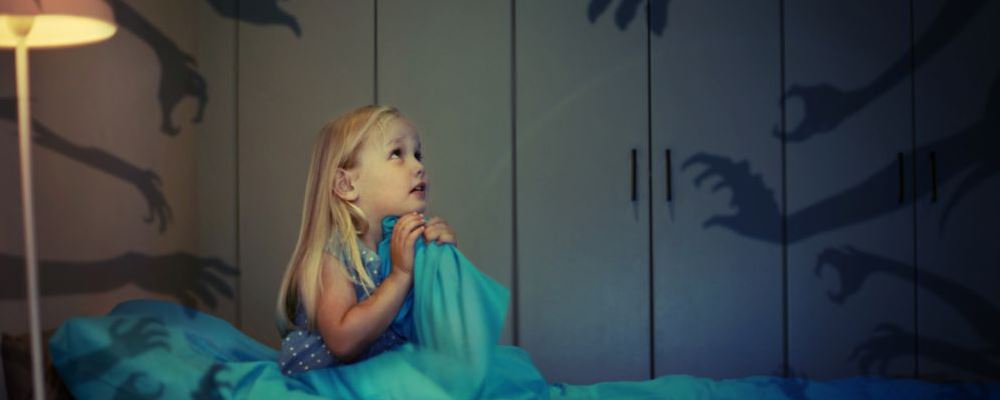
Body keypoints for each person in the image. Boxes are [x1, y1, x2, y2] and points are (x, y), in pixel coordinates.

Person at [273, 105, 458, 375]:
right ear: (347, 185)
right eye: (397, 154)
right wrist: (400, 276)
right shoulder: (335, 254)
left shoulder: (405, 245)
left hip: (386, 373)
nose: (419, 166)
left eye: (418, 155)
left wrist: (442, 260)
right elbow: (343, 341)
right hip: (333, 382)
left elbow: (440, 327)